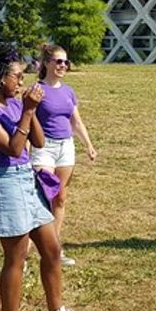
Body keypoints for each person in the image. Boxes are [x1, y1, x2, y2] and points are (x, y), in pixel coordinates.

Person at [0, 43, 92, 311]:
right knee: (16, 259)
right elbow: (13, 149)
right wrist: (29, 109)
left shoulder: (17, 104)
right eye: (16, 76)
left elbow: (39, 141)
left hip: (28, 182)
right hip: (6, 185)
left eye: (22, 76)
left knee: (52, 249)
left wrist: (29, 111)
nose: (21, 82)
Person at [31, 44, 97, 266]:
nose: (63, 66)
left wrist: (88, 144)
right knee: (42, 197)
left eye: (65, 62)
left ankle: (53, 249)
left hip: (65, 147)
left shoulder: (68, 91)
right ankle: (23, 251)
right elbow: (27, 118)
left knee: (59, 198)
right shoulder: (37, 89)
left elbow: (76, 121)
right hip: (44, 148)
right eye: (58, 61)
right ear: (47, 63)